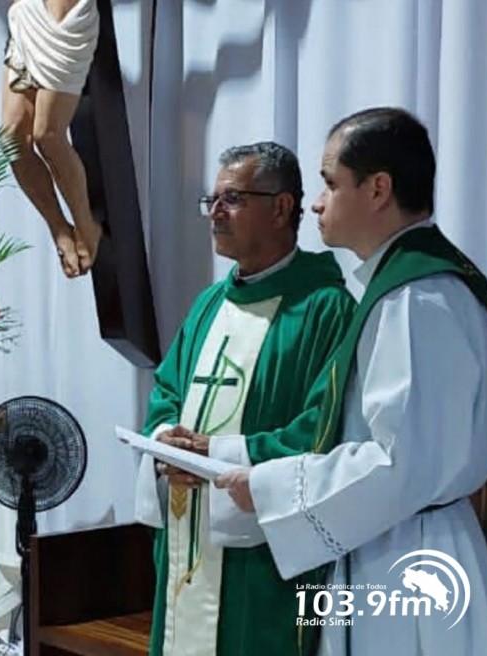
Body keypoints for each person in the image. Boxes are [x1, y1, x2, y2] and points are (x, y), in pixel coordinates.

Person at [214, 108, 487, 655]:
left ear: (378, 189)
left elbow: (400, 462)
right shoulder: (405, 286)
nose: (317, 202)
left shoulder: (419, 297)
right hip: (387, 539)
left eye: (329, 183)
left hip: (411, 558)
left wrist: (269, 486)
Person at [136, 142, 356, 656]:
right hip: (189, 531)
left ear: (281, 208)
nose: (215, 212)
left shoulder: (326, 308)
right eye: (211, 199)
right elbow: (167, 392)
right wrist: (168, 441)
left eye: (231, 198)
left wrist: (217, 457)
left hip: (263, 553)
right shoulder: (211, 302)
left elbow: (325, 428)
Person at [2, 0, 103, 277]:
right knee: (11, 138)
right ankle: (59, 228)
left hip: (63, 19)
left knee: (47, 135)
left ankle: (86, 225)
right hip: (26, 14)